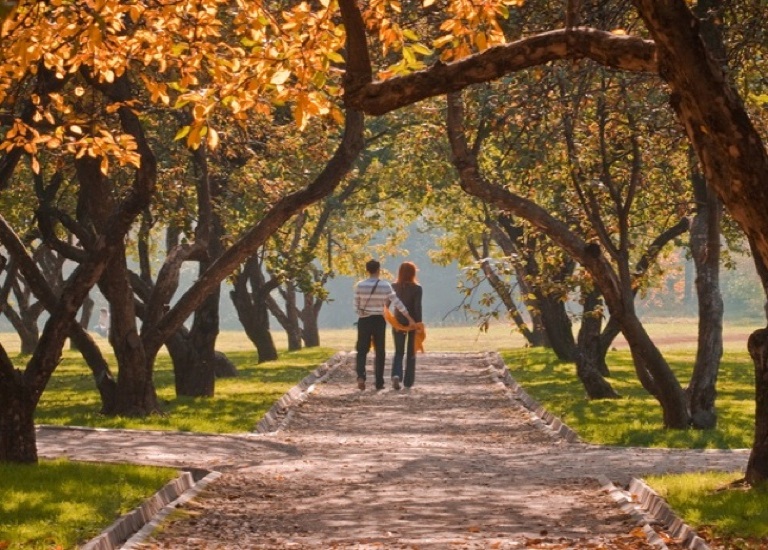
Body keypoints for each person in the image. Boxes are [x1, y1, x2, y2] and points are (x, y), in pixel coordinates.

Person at [354, 259, 414, 391]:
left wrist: (362, 313)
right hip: (379, 321)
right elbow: (397, 303)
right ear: (378, 270)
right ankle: (379, 382)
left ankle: (361, 376)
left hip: (364, 320)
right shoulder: (385, 285)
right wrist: (409, 318)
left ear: (367, 270)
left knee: (362, 350)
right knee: (380, 351)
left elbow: (356, 304)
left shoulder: (360, 285)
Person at [390, 261, 423, 390]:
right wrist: (418, 324)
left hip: (398, 322)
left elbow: (387, 305)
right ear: (413, 273)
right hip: (413, 323)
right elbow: (417, 307)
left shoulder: (393, 286)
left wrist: (392, 320)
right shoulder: (417, 288)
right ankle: (408, 382)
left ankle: (396, 374)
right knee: (411, 352)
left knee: (398, 351)